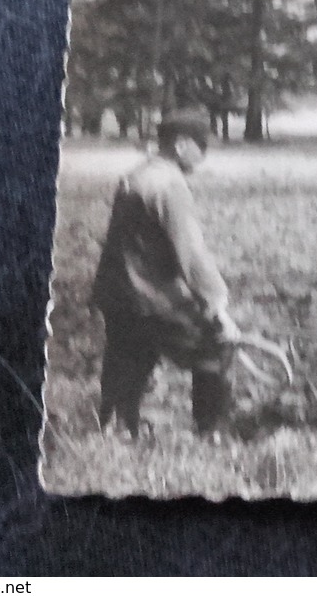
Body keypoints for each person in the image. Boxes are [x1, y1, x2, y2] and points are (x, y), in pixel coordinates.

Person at [92, 109, 241, 439]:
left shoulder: (137, 175)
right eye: (202, 146)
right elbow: (191, 253)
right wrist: (218, 304)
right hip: (150, 297)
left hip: (116, 295)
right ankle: (212, 432)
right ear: (182, 145)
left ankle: (114, 429)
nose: (204, 155)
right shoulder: (169, 185)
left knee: (127, 356)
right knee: (216, 344)